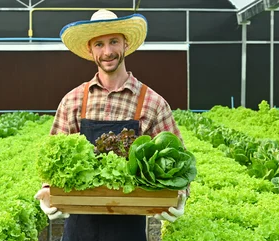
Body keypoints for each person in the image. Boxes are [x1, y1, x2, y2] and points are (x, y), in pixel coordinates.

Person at [34, 9, 189, 241]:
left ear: (125, 44)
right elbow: (54, 164)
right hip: (79, 229)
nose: (107, 52)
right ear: (90, 49)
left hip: (129, 230)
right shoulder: (73, 101)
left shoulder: (152, 103)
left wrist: (179, 195)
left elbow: (179, 160)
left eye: (114, 41)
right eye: (99, 44)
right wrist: (48, 190)